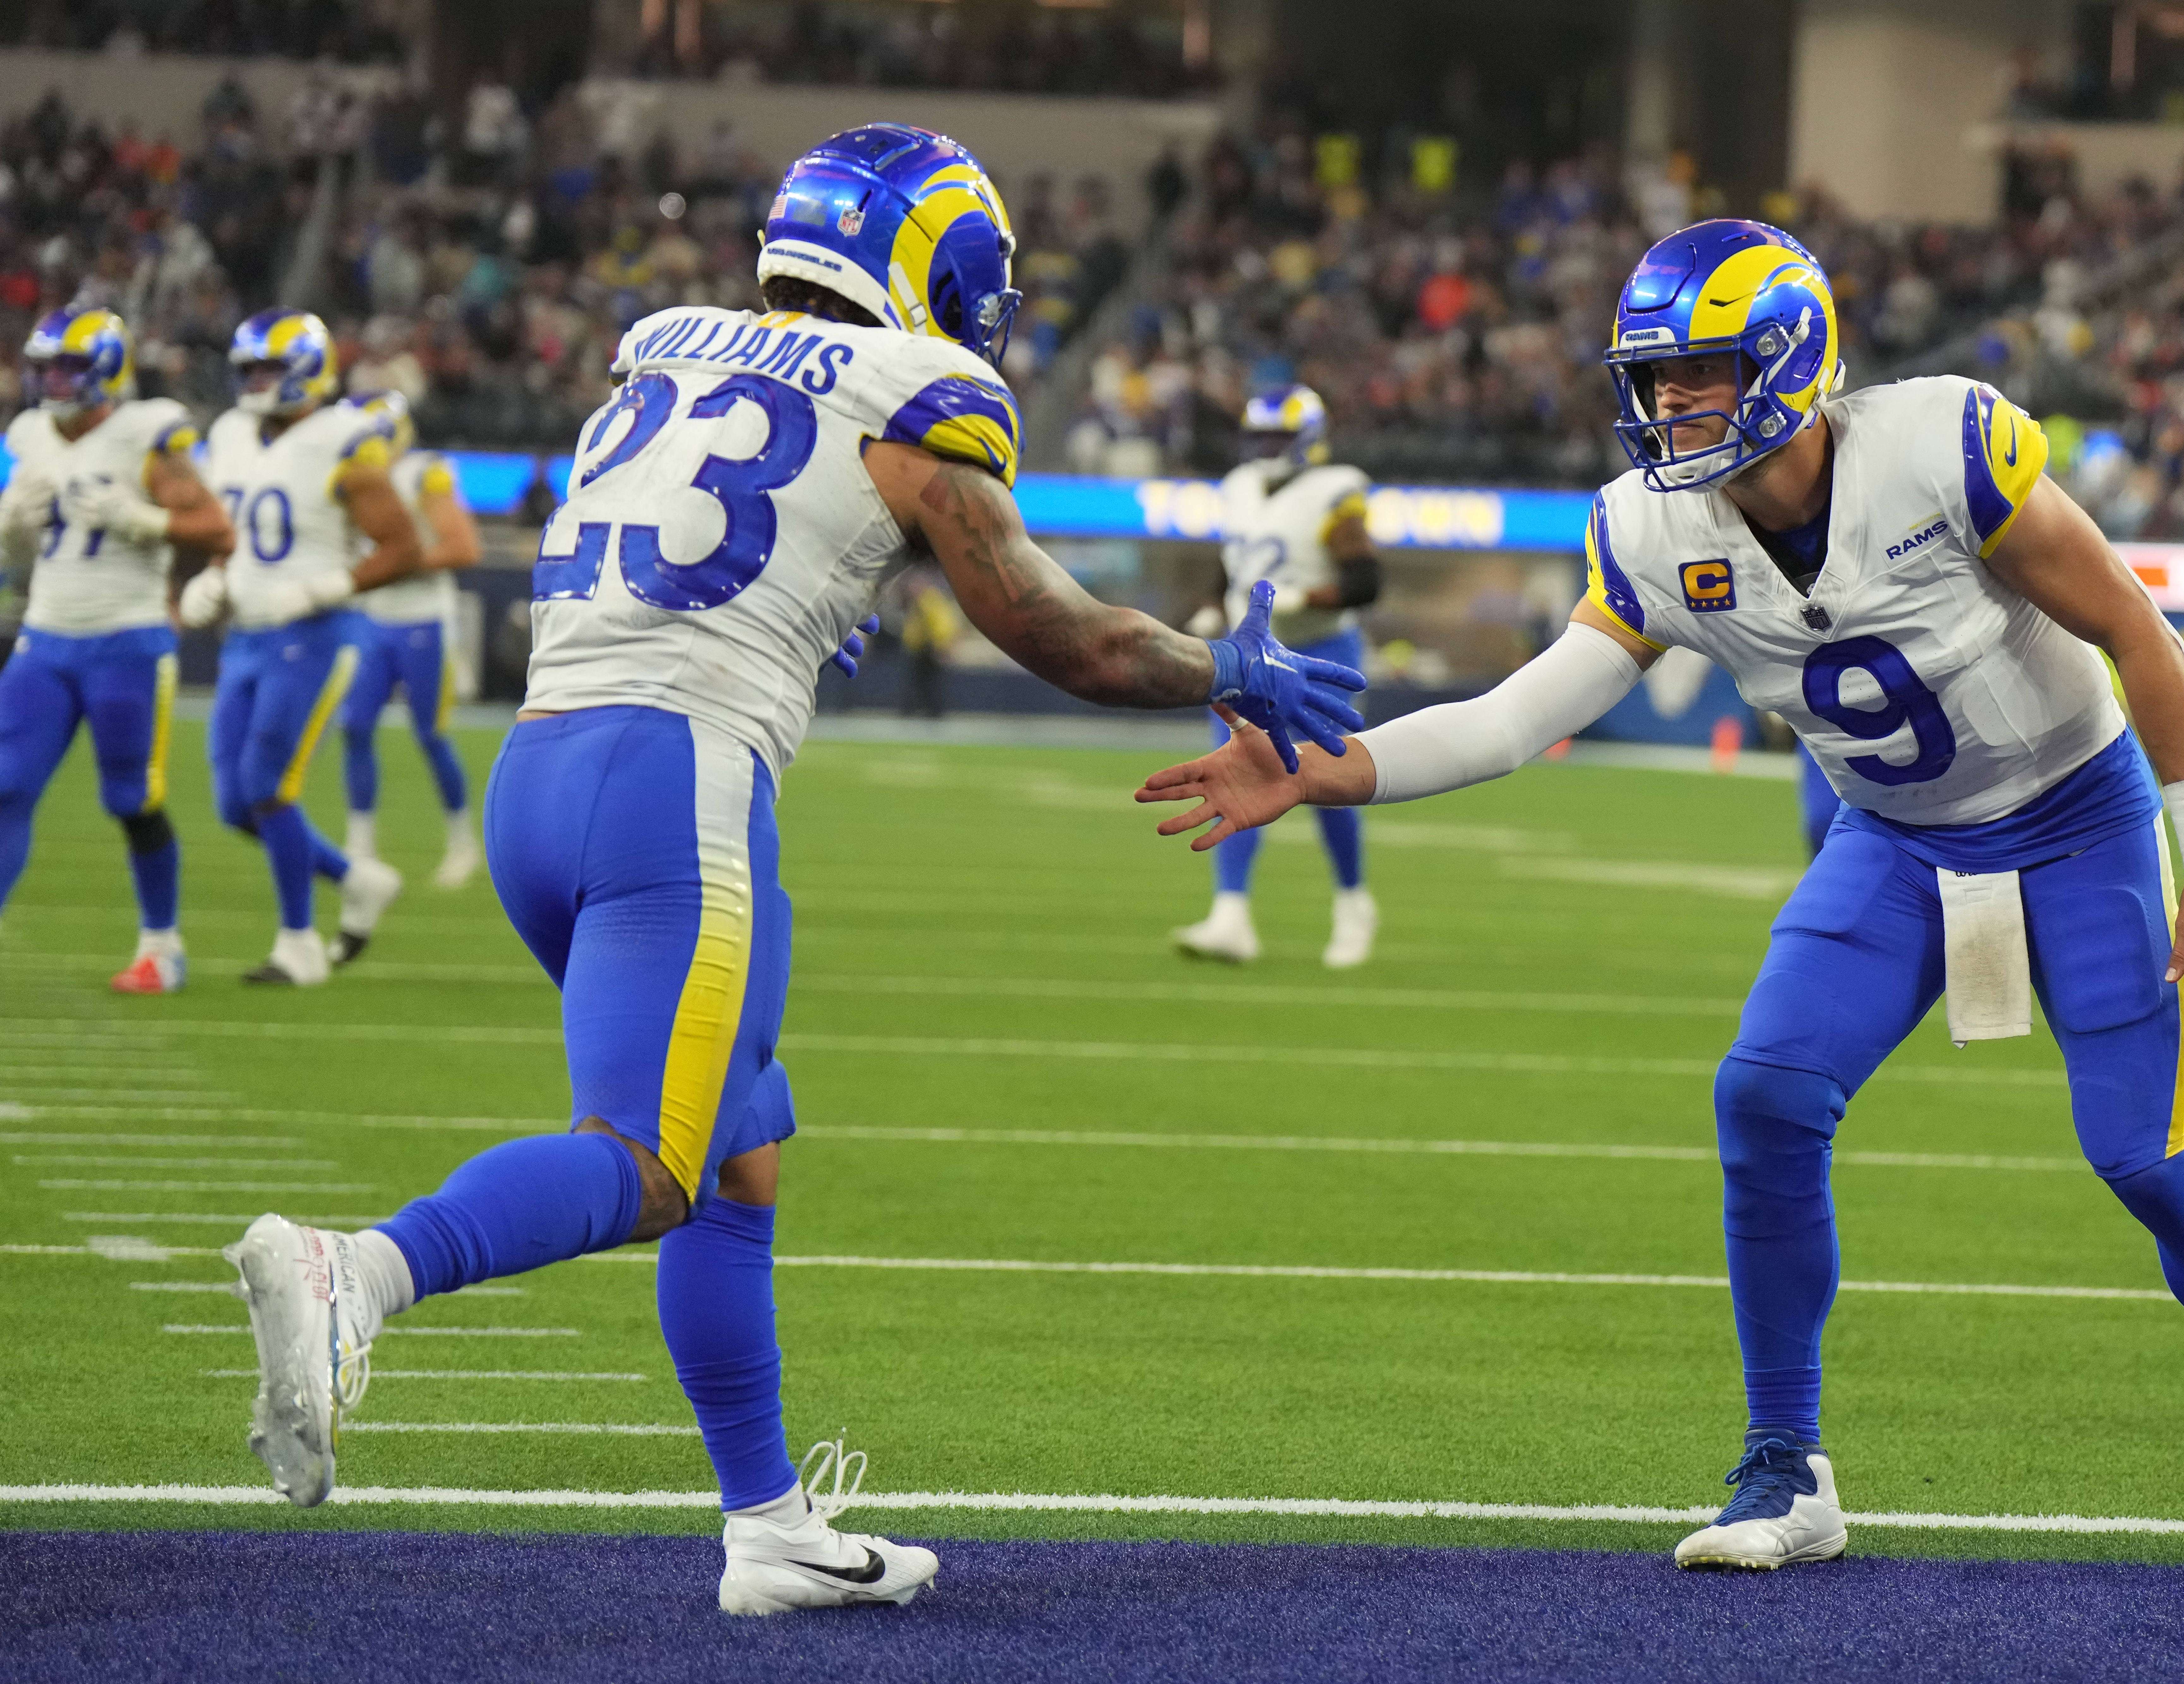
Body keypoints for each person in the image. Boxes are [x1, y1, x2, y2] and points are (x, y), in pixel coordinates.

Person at [223, 123, 1364, 1617]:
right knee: (648, 1166)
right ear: (927, 263)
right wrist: (1230, 667)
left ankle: (768, 1528)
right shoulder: (915, 391)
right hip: (677, 791)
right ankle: (358, 1272)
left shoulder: (664, 351)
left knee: (738, 1162)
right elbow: (1060, 631)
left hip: (546, 771)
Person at [1139, 219, 2184, 1579]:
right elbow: (1511, 717)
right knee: (1763, 1095)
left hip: (2076, 817)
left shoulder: (1941, 447)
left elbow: (2136, 631)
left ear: (1785, 360)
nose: (1670, 404)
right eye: (1653, 380)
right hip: (1895, 836)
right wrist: (1324, 769)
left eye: (1699, 372)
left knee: (2140, 1157)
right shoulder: (1650, 527)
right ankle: (1787, 1466)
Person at [0, 308, 235, 991]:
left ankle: (162, 948)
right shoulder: (30, 433)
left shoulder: (149, 433)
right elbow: (17, 556)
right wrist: (12, 524)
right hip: (44, 639)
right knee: (6, 786)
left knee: (132, 800)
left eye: (68, 366)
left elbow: (216, 531)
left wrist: (142, 520)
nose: (52, 380)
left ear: (107, 370)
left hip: (127, 641)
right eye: (45, 366)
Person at [183, 310, 419, 983]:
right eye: (248, 370)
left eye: (269, 369)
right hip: (248, 635)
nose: (256, 383)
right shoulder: (229, 433)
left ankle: (299, 946)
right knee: (233, 802)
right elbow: (233, 530)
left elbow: (405, 546)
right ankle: (354, 879)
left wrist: (326, 587)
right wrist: (214, 576)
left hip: (317, 635)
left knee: (266, 785)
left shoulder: (345, 438)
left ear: (308, 371)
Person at [1171, 385, 1384, 968]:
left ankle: (1351, 902)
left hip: (1319, 651)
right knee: (1234, 775)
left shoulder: (1335, 489)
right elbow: (1234, 559)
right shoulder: (1238, 487)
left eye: (1279, 437)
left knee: (1329, 786)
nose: (1268, 447)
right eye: (1261, 436)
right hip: (1251, 657)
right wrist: (1215, 605)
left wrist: (1307, 596)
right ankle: (1230, 914)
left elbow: (1366, 581)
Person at [336, 389, 485, 893]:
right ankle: (359, 846)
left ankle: (462, 842)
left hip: (423, 619)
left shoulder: (425, 472)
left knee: (431, 734)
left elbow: (463, 546)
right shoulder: (347, 475)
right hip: (372, 619)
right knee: (354, 726)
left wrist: (393, 566)